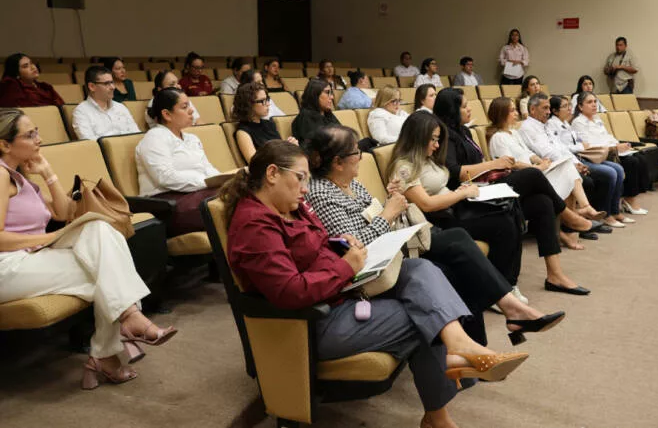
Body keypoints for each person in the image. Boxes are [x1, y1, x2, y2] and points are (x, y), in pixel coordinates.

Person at [223, 140, 529, 428]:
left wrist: (339, 243)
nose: (305, 188)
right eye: (300, 178)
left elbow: (314, 243)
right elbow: (291, 291)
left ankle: (460, 348)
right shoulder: (254, 225)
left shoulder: (290, 206)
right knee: (426, 313)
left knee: (421, 269)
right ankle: (440, 414)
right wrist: (345, 266)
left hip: (340, 293)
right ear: (272, 174)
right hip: (313, 323)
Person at [305, 124, 565, 345]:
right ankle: (508, 312)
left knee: (460, 260)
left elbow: (369, 217)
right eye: (356, 153)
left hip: (392, 243)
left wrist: (390, 202)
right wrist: (388, 213)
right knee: (457, 242)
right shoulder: (321, 193)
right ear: (337, 162)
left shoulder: (350, 182)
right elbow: (354, 247)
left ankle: (484, 342)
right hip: (374, 265)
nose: (361, 157)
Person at [0, 108, 176, 390]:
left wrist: (48, 173)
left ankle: (118, 337)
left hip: (32, 259)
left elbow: (64, 212)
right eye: (30, 135)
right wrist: (48, 238)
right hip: (8, 267)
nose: (39, 139)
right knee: (106, 272)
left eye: (37, 132)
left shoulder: (21, 179)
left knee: (100, 230)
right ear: (5, 144)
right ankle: (112, 344)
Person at [394, 107, 593, 298]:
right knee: (509, 213)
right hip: (444, 218)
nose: (437, 145)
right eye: (433, 139)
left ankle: (554, 275)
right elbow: (427, 204)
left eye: (437, 139)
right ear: (417, 137)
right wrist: (461, 194)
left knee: (541, 203)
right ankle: (506, 285)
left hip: (460, 203)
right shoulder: (404, 167)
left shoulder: (428, 158)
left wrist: (463, 191)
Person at [491, 96, 605, 250]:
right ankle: (572, 221)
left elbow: (528, 153)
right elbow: (511, 164)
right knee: (564, 176)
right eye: (512, 110)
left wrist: (541, 161)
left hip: (534, 171)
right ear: (501, 113)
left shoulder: (513, 133)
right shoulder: (498, 138)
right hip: (521, 179)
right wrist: (538, 168)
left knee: (567, 167)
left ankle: (584, 209)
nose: (516, 113)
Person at [136, 88, 219, 236]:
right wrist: (206, 182)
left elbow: (207, 167)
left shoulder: (192, 138)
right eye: (184, 107)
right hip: (167, 204)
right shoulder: (154, 138)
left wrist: (223, 179)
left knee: (237, 191)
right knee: (230, 201)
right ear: (167, 114)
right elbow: (165, 177)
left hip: (198, 193)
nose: (191, 111)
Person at [571, 91, 650, 226]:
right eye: (589, 102)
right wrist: (614, 148)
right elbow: (591, 144)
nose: (594, 105)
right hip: (592, 156)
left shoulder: (597, 119)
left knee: (634, 160)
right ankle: (607, 214)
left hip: (608, 151)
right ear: (580, 106)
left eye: (595, 101)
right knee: (614, 171)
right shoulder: (578, 122)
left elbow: (607, 136)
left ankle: (615, 211)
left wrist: (618, 144)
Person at [548, 94, 622, 224]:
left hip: (580, 157)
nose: (569, 108)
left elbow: (578, 141)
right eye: (565, 106)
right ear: (555, 111)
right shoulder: (552, 125)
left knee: (618, 169)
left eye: (569, 105)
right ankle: (605, 214)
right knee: (610, 173)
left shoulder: (565, 123)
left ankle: (615, 211)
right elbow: (562, 148)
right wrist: (581, 147)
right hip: (574, 159)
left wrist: (581, 146)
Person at [232, 82, 297, 163]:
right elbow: (255, 163)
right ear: (249, 104)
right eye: (262, 101)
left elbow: (279, 152)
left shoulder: (269, 124)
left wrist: (290, 148)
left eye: (267, 99)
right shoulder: (243, 132)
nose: (268, 104)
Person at [72, 66, 140, 141]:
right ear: (92, 86)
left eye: (112, 82)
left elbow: (137, 135)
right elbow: (90, 143)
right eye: (107, 83)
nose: (113, 87)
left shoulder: (120, 107)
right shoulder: (81, 111)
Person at [291, 79, 341, 146]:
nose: (332, 97)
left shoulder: (327, 113)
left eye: (331, 93)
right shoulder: (305, 116)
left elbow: (343, 133)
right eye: (327, 92)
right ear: (315, 95)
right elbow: (316, 145)